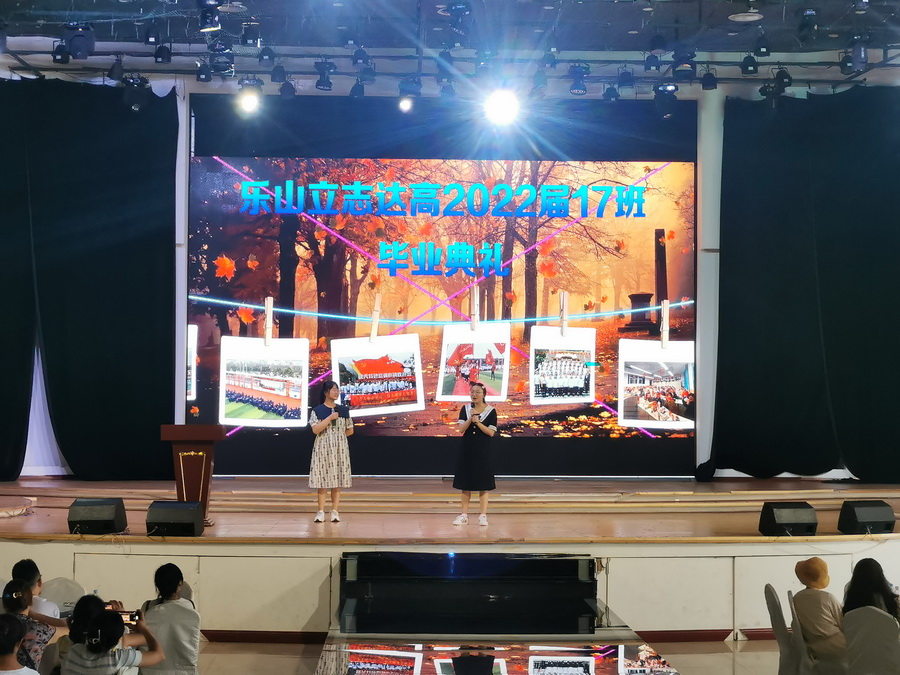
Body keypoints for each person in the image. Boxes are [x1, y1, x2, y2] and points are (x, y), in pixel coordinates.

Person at [139, 564, 200, 675]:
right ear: (180, 584)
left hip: (149, 670)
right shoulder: (191, 607)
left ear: (158, 586)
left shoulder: (147, 607)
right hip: (185, 672)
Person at [61, 609, 164, 675]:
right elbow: (159, 655)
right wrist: (144, 628)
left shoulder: (74, 651)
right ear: (119, 639)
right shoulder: (118, 658)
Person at [452, 382, 497, 527]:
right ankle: (464, 515)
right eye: (472, 392)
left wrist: (478, 422)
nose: (474, 395)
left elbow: (491, 432)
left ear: (484, 394)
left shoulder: (491, 411)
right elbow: (461, 429)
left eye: (477, 392)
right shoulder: (465, 409)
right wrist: (470, 418)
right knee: (466, 483)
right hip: (467, 448)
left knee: (484, 483)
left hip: (483, 449)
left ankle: (483, 516)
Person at [308, 380, 354, 523]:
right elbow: (315, 430)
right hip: (322, 447)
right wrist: (329, 418)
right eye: (333, 390)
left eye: (337, 390)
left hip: (339, 448)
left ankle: (335, 511)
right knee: (322, 480)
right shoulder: (317, 410)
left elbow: (350, 430)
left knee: (337, 480)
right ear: (326, 392)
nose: (336, 392)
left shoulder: (343, 410)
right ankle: (321, 512)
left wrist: (338, 439)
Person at [792, 557, 847, 671]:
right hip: (837, 645)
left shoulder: (797, 598)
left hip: (812, 645)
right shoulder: (827, 597)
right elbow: (842, 622)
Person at [1, 580, 56, 671]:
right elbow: (69, 628)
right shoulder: (40, 630)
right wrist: (36, 615)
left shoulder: (3, 625)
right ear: (31, 602)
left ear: (4, 603)